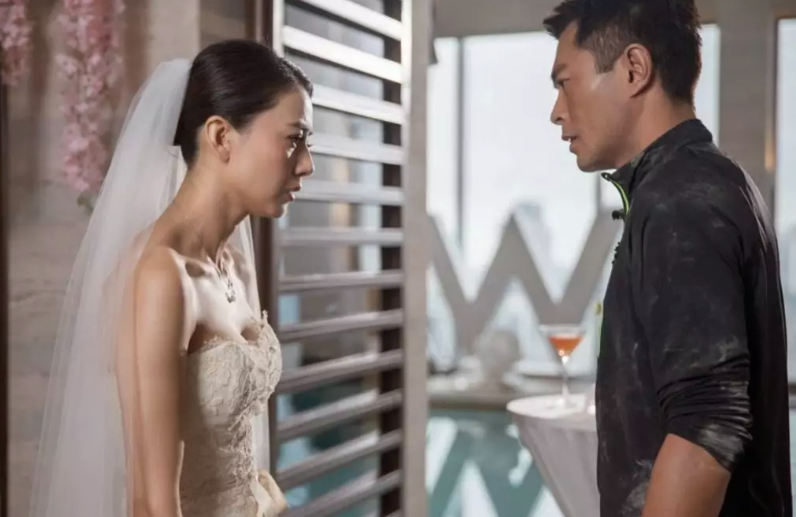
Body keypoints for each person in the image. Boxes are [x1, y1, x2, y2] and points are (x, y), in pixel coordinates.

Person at [29, 40, 314, 517]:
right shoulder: (163, 278)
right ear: (221, 136)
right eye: (293, 139)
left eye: (308, 144)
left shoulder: (237, 266)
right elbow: (151, 502)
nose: (306, 163)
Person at [544, 1, 791, 516]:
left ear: (634, 69)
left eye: (565, 83)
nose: (557, 111)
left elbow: (709, 427)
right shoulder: (706, 183)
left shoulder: (680, 200)